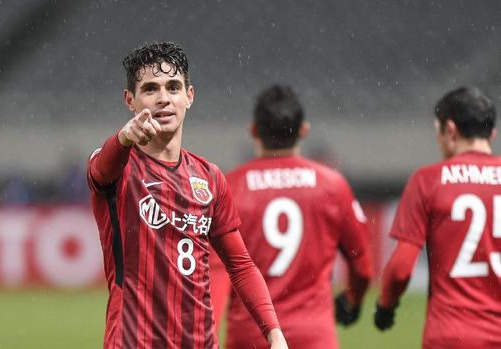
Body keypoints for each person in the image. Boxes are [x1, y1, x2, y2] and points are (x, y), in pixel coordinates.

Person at [86, 42, 288, 349]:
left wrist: (274, 332)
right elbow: (102, 169)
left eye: (173, 87)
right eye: (150, 89)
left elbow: (240, 265)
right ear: (130, 100)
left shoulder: (209, 178)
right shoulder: (118, 168)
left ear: (189, 96)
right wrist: (125, 137)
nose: (164, 99)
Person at [215, 85, 372, 349]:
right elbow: (362, 266)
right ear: (303, 131)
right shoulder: (332, 185)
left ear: (254, 130)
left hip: (251, 336)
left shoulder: (230, 187)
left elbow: (212, 275)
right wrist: (352, 299)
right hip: (313, 336)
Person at [375, 86, 501, 348]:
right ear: (491, 133)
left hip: (450, 335)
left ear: (450, 130)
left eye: (437, 132)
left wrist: (386, 304)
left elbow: (400, 268)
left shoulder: (428, 180)